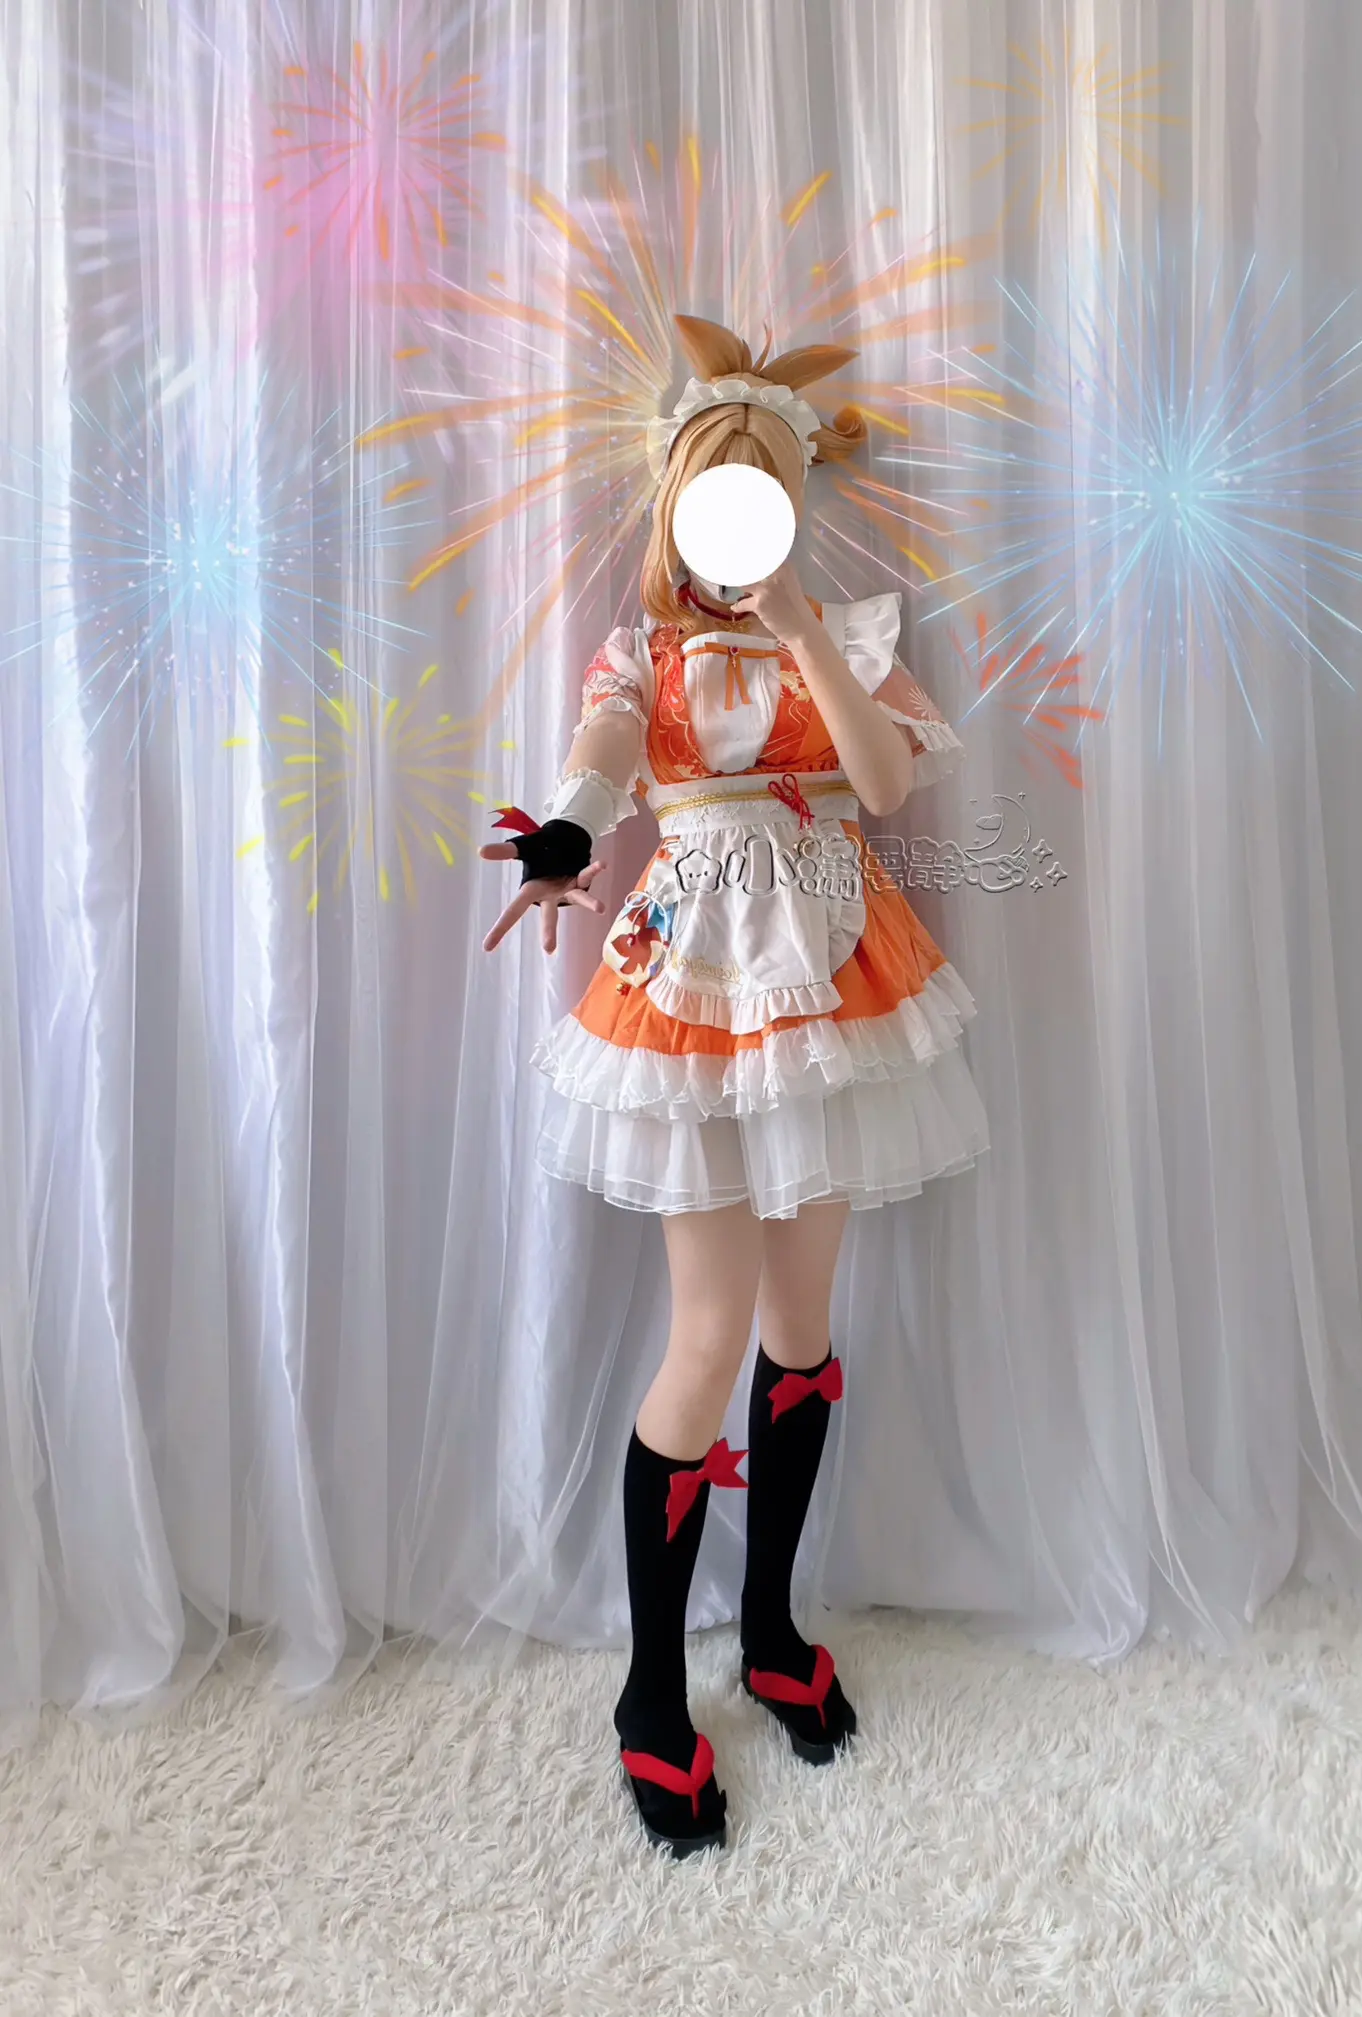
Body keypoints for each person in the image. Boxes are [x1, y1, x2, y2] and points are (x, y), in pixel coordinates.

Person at [480, 315, 989, 1858]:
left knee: (801, 1327)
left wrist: (800, 622)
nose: (735, 518)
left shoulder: (845, 636)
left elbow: (885, 786)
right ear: (676, 499)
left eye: (764, 490)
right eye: (715, 490)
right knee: (703, 1334)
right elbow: (598, 755)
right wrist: (564, 837)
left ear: (792, 502)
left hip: (834, 976)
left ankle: (769, 1628)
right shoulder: (641, 653)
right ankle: (651, 1690)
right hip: (694, 983)